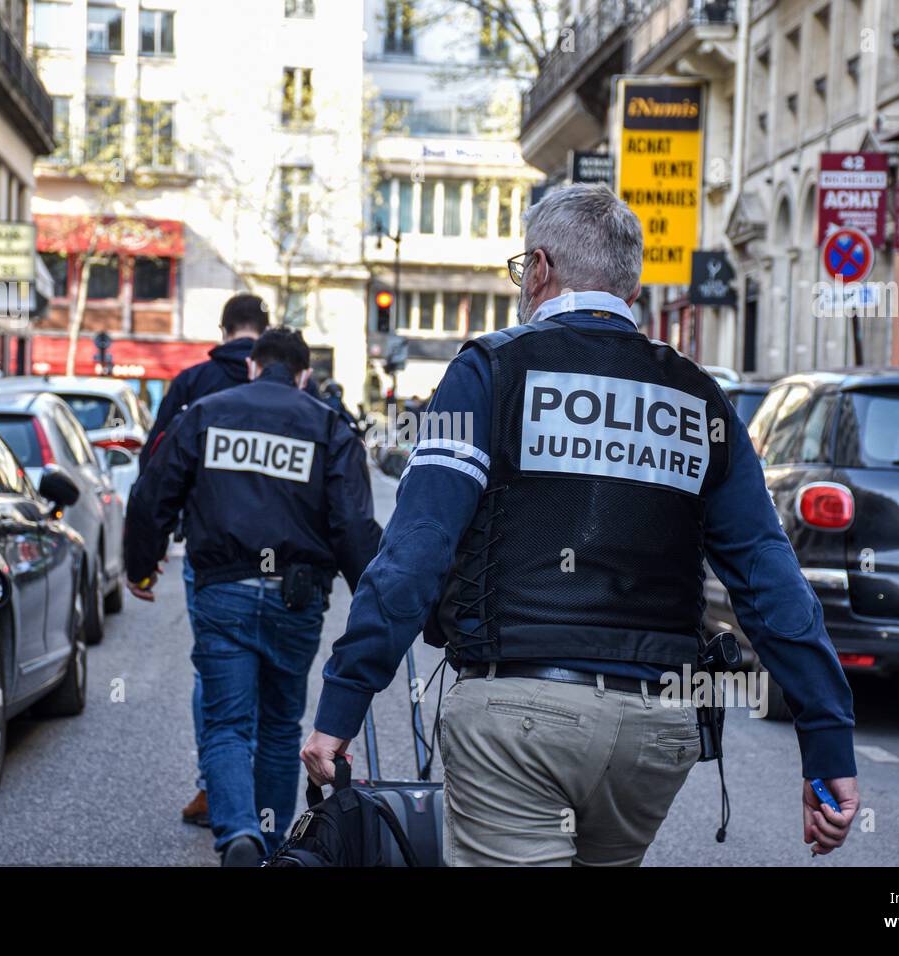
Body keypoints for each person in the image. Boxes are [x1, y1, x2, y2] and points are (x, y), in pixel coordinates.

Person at [301, 183, 860, 866]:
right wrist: (826, 739)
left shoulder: (488, 370)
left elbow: (417, 551)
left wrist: (344, 703)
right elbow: (771, 580)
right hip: (655, 732)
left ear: (539, 269)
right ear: (630, 282)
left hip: (518, 721)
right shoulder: (699, 397)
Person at [125, 327, 380, 866]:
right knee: (281, 727)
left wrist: (139, 565)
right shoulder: (329, 425)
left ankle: (238, 831)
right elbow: (354, 525)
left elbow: (153, 490)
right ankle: (267, 848)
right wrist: (372, 597)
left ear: (252, 366)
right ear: (304, 374)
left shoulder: (208, 412)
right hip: (297, 597)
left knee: (226, 725)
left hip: (223, 590)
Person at [140, 293, 312, 830]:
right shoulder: (314, 410)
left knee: (218, 687)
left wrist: (143, 560)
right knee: (281, 719)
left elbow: (155, 471)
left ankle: (217, 793)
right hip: (291, 576)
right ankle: (267, 829)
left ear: (231, 338)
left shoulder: (194, 386)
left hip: (214, 562)